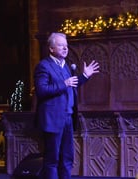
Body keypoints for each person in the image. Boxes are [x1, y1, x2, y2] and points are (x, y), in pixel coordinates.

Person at [34, 32, 99, 179]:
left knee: (67, 158)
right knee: (52, 159)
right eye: (61, 45)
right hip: (53, 119)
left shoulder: (66, 67)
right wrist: (64, 84)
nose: (65, 48)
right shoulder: (44, 66)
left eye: (66, 46)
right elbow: (42, 90)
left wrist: (85, 76)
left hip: (68, 118)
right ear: (51, 48)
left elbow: (72, 85)